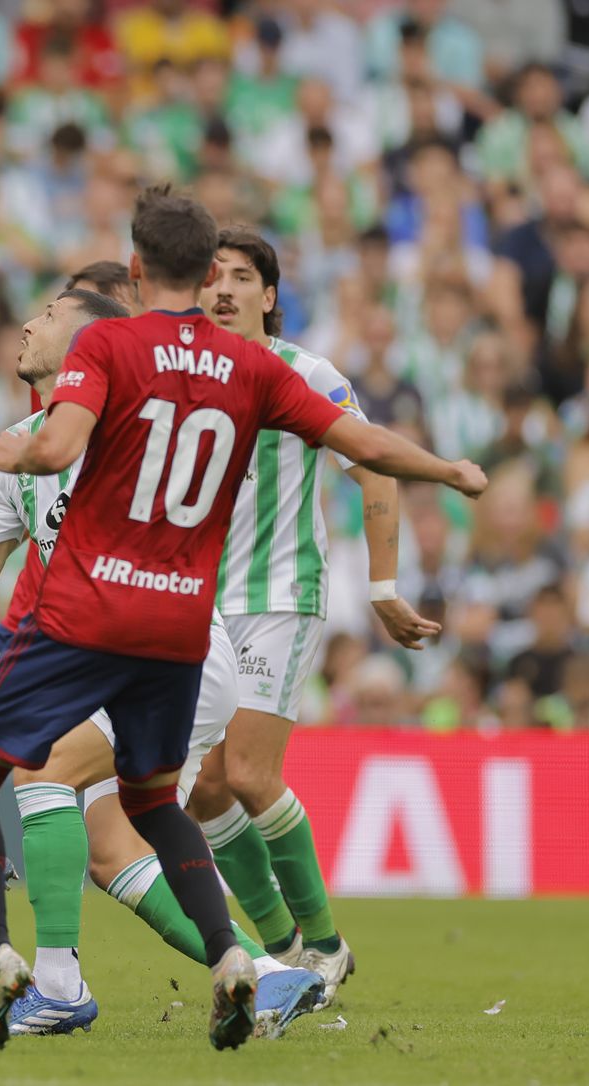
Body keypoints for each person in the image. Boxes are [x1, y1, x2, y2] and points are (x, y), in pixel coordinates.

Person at [0, 185, 485, 1052]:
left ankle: (22, 966)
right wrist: (450, 470)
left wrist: (23, 447)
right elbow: (364, 442)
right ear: (203, 276)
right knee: (157, 802)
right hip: (188, 627)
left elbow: (54, 446)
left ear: (134, 268)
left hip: (100, 615)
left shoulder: (111, 351)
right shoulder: (253, 368)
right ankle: (248, 960)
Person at [0, 288, 326, 1042]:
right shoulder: (18, 453)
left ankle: (61, 986)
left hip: (171, 653)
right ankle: (264, 976)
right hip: (107, 658)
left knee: (42, 769)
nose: (28, 323)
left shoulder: (135, 434)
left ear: (89, 347)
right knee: (106, 849)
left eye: (48, 315)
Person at [182, 226, 439, 1007]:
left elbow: (377, 469)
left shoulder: (308, 374)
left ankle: (324, 948)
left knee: (253, 774)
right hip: (195, 601)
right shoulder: (183, 375)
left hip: (278, 595)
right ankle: (284, 948)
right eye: (211, 277)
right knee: (202, 789)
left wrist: (385, 586)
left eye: (241, 277)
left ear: (270, 297)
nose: (223, 289)